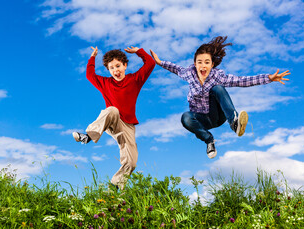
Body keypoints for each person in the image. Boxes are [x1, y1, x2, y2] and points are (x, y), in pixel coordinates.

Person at [150, 36, 290, 159]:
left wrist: (269, 78)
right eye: (199, 62)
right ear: (195, 64)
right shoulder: (189, 73)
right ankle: (209, 141)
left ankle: (234, 122)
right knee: (185, 117)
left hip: (217, 116)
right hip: (201, 119)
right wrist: (160, 62)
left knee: (217, 88)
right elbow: (176, 68)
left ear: (212, 64)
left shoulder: (218, 76)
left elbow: (241, 81)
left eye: (206, 62)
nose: (203, 66)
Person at [72, 46, 155, 189]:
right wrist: (92, 58)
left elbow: (150, 64)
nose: (116, 70)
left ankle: (116, 184)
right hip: (111, 121)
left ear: (125, 65)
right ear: (108, 70)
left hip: (127, 126)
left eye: (118, 66)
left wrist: (138, 51)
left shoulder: (135, 79)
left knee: (131, 162)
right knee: (112, 110)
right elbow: (90, 75)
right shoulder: (105, 83)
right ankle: (88, 136)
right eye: (111, 68)